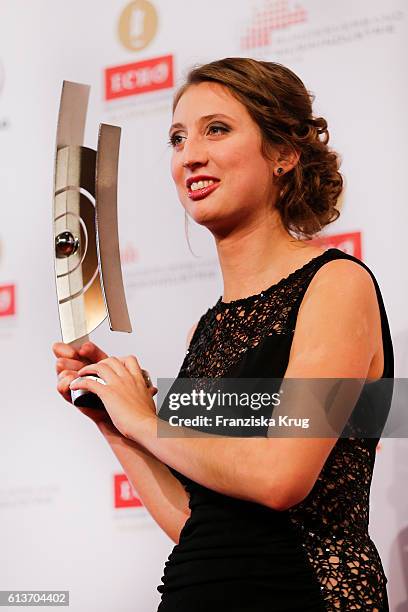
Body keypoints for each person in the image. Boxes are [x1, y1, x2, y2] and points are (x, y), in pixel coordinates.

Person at [53, 58, 393, 611]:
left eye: (217, 129)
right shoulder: (207, 329)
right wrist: (115, 425)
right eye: (177, 138)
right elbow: (201, 527)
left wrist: (145, 419)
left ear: (284, 153)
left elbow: (281, 478)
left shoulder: (336, 285)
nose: (190, 155)